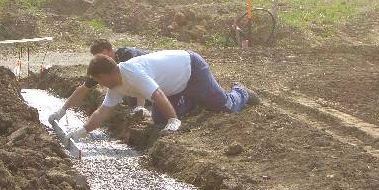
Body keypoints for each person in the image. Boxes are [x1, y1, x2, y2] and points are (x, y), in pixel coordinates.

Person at [66, 50, 259, 140]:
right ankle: (192, 99)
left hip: (191, 69)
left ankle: (241, 92)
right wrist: (81, 132)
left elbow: (156, 94)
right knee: (159, 118)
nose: (99, 84)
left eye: (99, 80)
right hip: (172, 87)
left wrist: (174, 120)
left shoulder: (132, 72)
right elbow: (103, 112)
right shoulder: (114, 86)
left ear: (108, 74)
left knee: (225, 107)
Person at [48, 39, 148, 123]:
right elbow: (83, 88)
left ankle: (144, 106)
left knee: (134, 101)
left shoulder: (128, 56)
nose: (101, 59)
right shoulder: (103, 65)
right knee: (129, 99)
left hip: (155, 82)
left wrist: (140, 108)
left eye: (103, 55)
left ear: (110, 50)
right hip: (141, 87)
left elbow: (139, 79)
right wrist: (62, 110)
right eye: (97, 57)